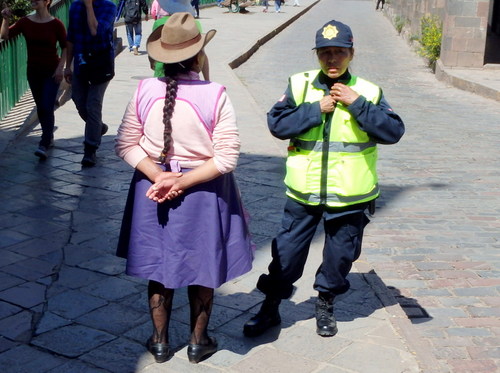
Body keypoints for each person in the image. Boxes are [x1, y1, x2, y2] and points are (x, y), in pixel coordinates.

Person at [243, 19, 405, 339]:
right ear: (316, 55)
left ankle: (325, 303)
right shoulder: (299, 84)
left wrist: (355, 103)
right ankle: (271, 306)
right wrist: (317, 108)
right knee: (285, 256)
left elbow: (393, 131)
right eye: (325, 53)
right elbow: (278, 125)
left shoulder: (368, 91)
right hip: (303, 192)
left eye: (339, 53)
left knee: (339, 257)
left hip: (350, 194)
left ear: (351, 54)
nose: (332, 60)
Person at [115, 12, 253, 364]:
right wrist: (182, 180)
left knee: (159, 267)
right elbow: (225, 159)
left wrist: (159, 175)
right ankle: (197, 341)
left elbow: (126, 145)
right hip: (204, 190)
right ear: (198, 56)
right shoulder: (215, 94)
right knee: (202, 265)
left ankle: (160, 342)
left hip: (151, 190)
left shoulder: (144, 89)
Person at [1, 0, 66, 160]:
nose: (33, 1)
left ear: (47, 2)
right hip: (34, 72)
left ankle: (44, 142)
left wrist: (60, 68)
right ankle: (48, 136)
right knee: (41, 107)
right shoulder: (25, 22)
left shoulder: (56, 24)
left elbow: (66, 46)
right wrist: (5, 19)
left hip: (51, 72)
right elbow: (5, 35)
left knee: (46, 105)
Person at [64, 0, 116, 167]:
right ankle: (98, 127)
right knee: (79, 101)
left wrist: (88, 6)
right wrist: (67, 66)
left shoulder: (108, 7)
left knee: (93, 104)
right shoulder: (75, 6)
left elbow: (96, 31)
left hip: (101, 64)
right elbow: (71, 36)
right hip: (81, 63)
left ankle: (90, 149)